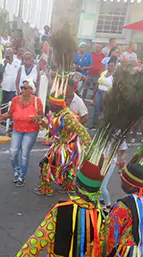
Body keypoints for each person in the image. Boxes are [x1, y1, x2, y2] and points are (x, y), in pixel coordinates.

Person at [35, 57, 91, 196]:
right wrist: (41, 122)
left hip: (67, 147)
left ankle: (46, 188)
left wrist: (90, 149)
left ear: (57, 105)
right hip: (61, 145)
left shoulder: (68, 117)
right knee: (66, 168)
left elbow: (81, 129)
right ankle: (67, 186)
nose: (50, 106)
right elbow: (52, 127)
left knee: (45, 165)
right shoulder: (59, 114)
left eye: (51, 105)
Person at [0, 80, 43, 187]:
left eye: (25, 88)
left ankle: (21, 176)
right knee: (13, 153)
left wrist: (38, 119)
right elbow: (10, 113)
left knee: (24, 154)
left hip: (31, 131)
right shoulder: (15, 100)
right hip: (17, 129)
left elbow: (41, 116)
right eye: (22, 87)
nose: (22, 89)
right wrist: (2, 116)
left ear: (31, 90)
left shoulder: (37, 101)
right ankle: (16, 170)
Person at [93, 58, 116, 127]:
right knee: (97, 107)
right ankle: (94, 123)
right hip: (99, 91)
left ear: (115, 66)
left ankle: (102, 124)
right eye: (109, 65)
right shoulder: (104, 72)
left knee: (104, 109)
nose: (109, 67)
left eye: (111, 66)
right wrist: (94, 92)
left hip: (107, 93)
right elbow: (98, 82)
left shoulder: (115, 75)